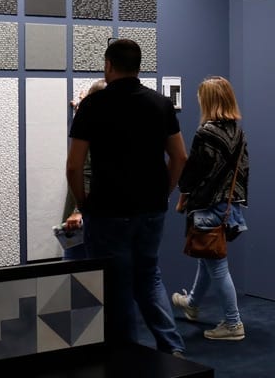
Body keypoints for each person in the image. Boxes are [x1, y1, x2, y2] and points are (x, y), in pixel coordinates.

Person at [66, 39, 188, 357]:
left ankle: (128, 357)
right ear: (138, 66)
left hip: (107, 210)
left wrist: (83, 202)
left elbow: (74, 165)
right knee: (149, 277)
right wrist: (164, 192)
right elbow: (179, 157)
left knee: (116, 285)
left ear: (108, 65)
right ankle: (172, 349)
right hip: (151, 209)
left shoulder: (93, 105)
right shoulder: (161, 104)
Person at [172, 76, 249, 341]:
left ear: (208, 101)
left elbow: (192, 171)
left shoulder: (205, 133)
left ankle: (233, 323)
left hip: (207, 205)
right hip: (229, 206)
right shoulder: (238, 132)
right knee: (208, 256)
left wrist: (183, 196)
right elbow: (243, 171)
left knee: (217, 265)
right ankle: (192, 303)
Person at [61, 79, 106, 260]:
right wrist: (80, 107)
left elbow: (85, 171)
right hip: (101, 214)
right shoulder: (114, 127)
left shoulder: (91, 130)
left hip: (83, 215)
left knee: (74, 265)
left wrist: (78, 211)